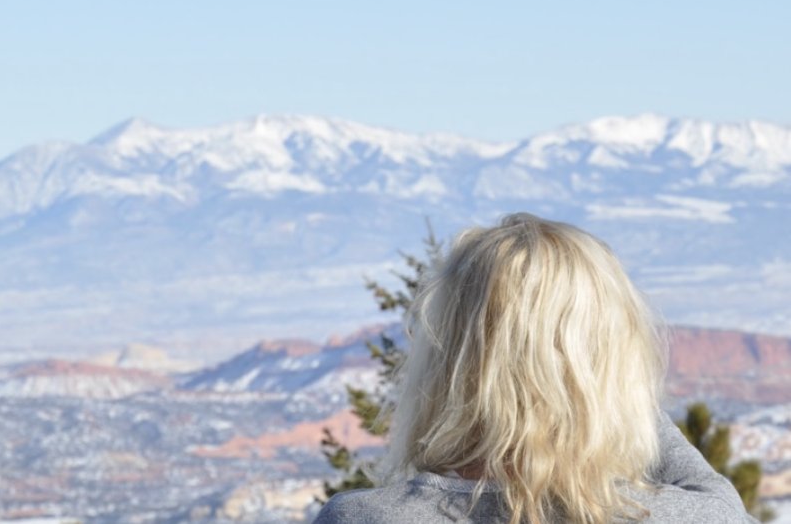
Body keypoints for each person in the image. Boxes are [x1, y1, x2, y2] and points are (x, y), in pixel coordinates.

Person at [314, 213, 760, 524]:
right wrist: (594, 374)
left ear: (445, 361)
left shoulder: (365, 518)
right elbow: (713, 494)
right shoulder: (697, 516)